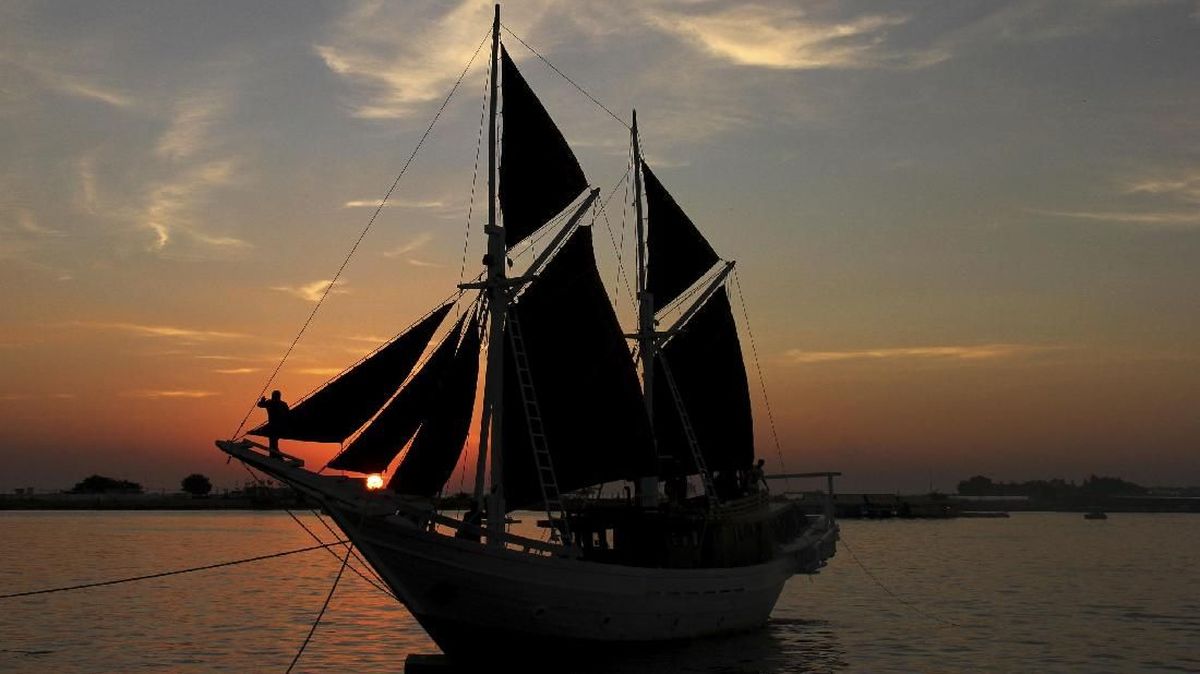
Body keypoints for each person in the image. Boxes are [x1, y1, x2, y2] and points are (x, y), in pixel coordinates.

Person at [257, 390, 290, 457]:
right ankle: (275, 456)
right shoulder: (283, 404)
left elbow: (260, 404)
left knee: (273, 443)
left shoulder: (270, 403)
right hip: (279, 427)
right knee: (273, 443)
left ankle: (275, 457)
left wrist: (262, 401)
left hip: (274, 427)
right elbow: (288, 414)